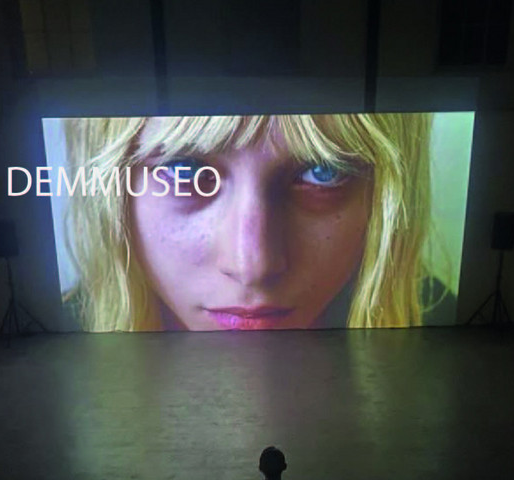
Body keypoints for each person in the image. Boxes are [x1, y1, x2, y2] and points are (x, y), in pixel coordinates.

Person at [60, 113, 452, 331]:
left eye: (323, 171)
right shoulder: (55, 343)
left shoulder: (448, 338)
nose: (253, 266)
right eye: (185, 170)